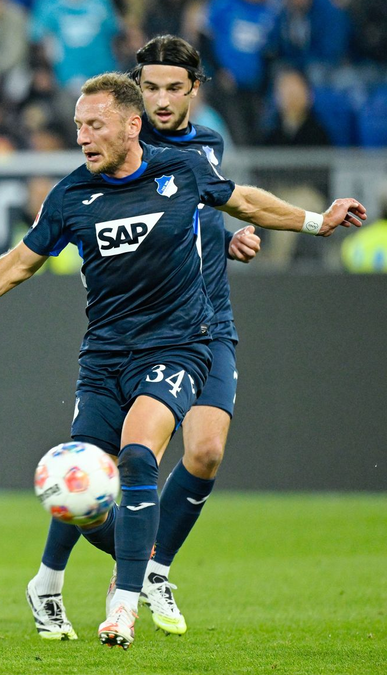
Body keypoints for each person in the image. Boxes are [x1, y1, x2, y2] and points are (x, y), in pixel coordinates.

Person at [0, 72, 363, 649]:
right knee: (80, 484)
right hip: (105, 355)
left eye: (95, 124)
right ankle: (50, 582)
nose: (83, 136)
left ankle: (125, 605)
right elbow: (17, 264)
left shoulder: (180, 171)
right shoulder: (70, 197)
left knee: (137, 456)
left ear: (132, 126)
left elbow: (246, 200)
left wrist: (316, 221)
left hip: (178, 346)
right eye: (79, 125)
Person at [26, 34, 265, 642]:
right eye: (151, 86)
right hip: (143, 332)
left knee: (205, 451)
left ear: (194, 91)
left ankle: (151, 569)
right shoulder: (118, 145)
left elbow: (203, 210)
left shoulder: (205, 147)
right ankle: (84, 579)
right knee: (107, 456)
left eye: (173, 88)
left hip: (209, 322)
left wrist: (226, 238)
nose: (161, 100)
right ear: (134, 99)